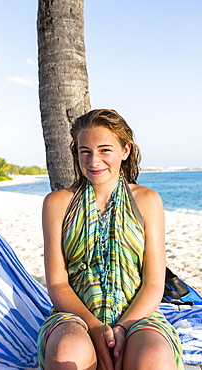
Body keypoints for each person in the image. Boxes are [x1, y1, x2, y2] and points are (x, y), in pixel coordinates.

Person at [37, 109, 184, 370]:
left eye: (105, 150)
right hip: (75, 317)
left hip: (138, 317)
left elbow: (153, 283)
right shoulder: (57, 204)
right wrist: (94, 327)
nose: (94, 161)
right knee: (66, 354)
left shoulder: (147, 201)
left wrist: (123, 328)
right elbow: (58, 283)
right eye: (85, 151)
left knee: (154, 359)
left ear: (125, 151)